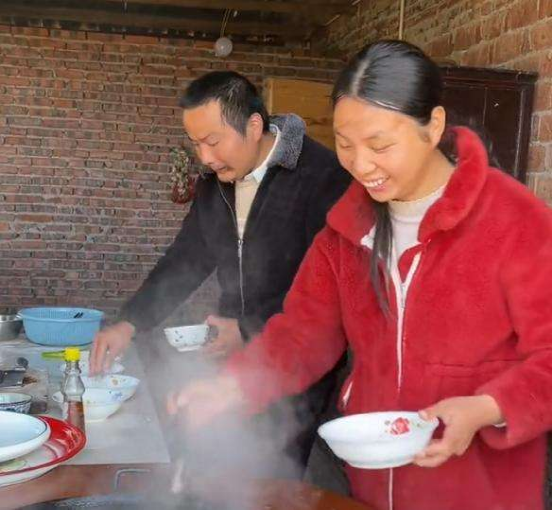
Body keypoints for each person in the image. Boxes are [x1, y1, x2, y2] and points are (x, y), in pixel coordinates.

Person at [169, 41, 552, 510]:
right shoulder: (348, 230)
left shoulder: (514, 220)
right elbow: (302, 335)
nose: (361, 165)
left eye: (380, 144)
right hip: (372, 486)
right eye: (346, 145)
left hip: (481, 490)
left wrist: (488, 408)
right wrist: (231, 386)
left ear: (432, 126)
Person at [90, 70, 351, 473]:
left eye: (213, 141)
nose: (206, 158)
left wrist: (250, 329)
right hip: (231, 352)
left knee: (275, 472)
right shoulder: (215, 186)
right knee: (223, 458)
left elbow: (333, 293)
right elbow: (185, 260)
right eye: (196, 144)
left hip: (299, 363)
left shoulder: (323, 178)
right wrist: (130, 323)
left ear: (253, 125)